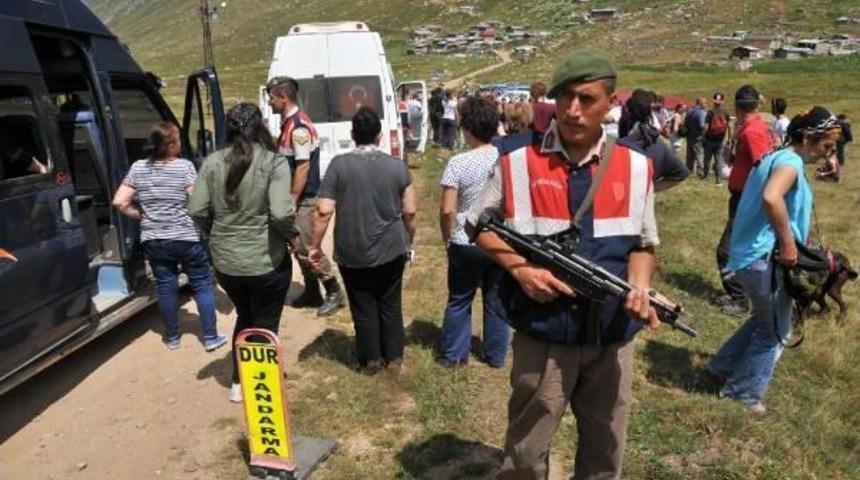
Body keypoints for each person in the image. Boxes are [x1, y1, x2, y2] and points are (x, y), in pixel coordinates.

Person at [468, 48, 664, 480]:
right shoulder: (515, 158)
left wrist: (639, 289)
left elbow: (644, 245)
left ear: (610, 104)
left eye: (586, 99)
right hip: (544, 333)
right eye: (565, 98)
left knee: (605, 449)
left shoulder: (636, 166)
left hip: (611, 335)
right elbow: (476, 226)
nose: (573, 111)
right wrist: (521, 269)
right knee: (525, 450)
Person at [707, 107, 840, 414]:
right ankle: (743, 393)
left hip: (751, 255)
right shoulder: (790, 162)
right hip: (764, 258)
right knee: (776, 332)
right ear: (808, 137)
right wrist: (789, 244)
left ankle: (720, 367)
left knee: (763, 319)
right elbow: (771, 197)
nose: (827, 153)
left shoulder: (775, 155)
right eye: (826, 146)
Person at [188, 102, 297, 402]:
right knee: (265, 322)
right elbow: (281, 214)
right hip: (266, 260)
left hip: (226, 262)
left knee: (245, 314)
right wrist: (294, 238)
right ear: (260, 126)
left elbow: (196, 208)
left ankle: (239, 381)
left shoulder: (211, 162)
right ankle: (261, 387)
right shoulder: (274, 163)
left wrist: (215, 231)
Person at [308, 107, 416, 374]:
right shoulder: (396, 166)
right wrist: (408, 241)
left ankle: (371, 360)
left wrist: (314, 245)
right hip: (391, 246)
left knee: (362, 303)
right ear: (379, 136)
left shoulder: (339, 166)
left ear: (353, 134)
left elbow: (323, 211)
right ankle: (394, 357)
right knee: (390, 301)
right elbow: (410, 211)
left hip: (352, 248)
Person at [112, 122, 222, 352]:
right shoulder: (184, 168)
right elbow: (198, 202)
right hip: (186, 237)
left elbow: (119, 201)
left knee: (165, 286)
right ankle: (210, 337)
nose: (181, 144)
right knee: (201, 284)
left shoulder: (138, 168)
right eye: (179, 140)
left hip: (154, 238)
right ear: (170, 145)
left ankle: (172, 337)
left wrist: (142, 215)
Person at [438, 97, 510, 368]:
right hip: (501, 238)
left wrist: (447, 237)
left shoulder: (458, 162)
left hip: (465, 238)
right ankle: (496, 354)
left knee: (459, 299)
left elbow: (447, 210)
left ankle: (455, 354)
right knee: (496, 298)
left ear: (466, 128)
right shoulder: (506, 159)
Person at [266, 76, 345, 317]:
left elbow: (302, 167)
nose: (269, 102)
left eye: (272, 98)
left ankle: (333, 291)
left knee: (308, 246)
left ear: (283, 97)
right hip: (298, 197)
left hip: (305, 197)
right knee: (297, 245)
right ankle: (312, 291)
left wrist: (292, 198)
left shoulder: (298, 127)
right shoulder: (288, 124)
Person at [714, 85, 774, 316]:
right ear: (757, 105)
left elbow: (764, 167)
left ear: (737, 107)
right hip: (745, 197)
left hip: (747, 199)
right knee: (744, 248)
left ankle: (739, 299)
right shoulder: (751, 128)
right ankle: (743, 294)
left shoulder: (752, 132)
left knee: (726, 251)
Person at [618, 89, 689, 192]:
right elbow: (681, 173)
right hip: (645, 204)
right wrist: (649, 190)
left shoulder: (617, 148)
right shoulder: (657, 144)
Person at [703, 92, 732, 183]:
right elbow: (729, 126)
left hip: (709, 139)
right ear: (722, 101)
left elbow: (706, 127)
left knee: (707, 159)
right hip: (720, 140)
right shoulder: (726, 112)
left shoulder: (710, 112)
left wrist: (703, 136)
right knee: (719, 160)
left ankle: (705, 177)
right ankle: (718, 180)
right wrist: (730, 138)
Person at [684, 97, 707, 174]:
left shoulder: (689, 111)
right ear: (700, 103)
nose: (705, 105)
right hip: (698, 137)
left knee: (690, 155)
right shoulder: (701, 112)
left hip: (689, 136)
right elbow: (702, 125)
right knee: (699, 154)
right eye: (704, 103)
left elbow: (685, 124)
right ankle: (700, 171)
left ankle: (688, 170)